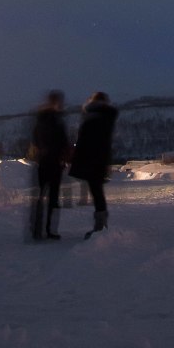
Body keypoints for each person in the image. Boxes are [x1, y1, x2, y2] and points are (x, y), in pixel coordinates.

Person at [69, 91, 118, 238]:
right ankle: (100, 225)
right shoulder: (106, 117)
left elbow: (86, 139)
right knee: (97, 192)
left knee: (96, 192)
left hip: (91, 159)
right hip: (100, 159)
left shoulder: (93, 117)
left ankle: (100, 227)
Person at [30, 89, 70, 240]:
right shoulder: (57, 120)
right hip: (54, 163)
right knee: (53, 197)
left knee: (40, 196)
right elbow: (63, 142)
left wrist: (41, 151)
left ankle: (37, 229)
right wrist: (63, 157)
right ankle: (50, 230)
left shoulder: (40, 120)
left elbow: (35, 140)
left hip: (43, 162)